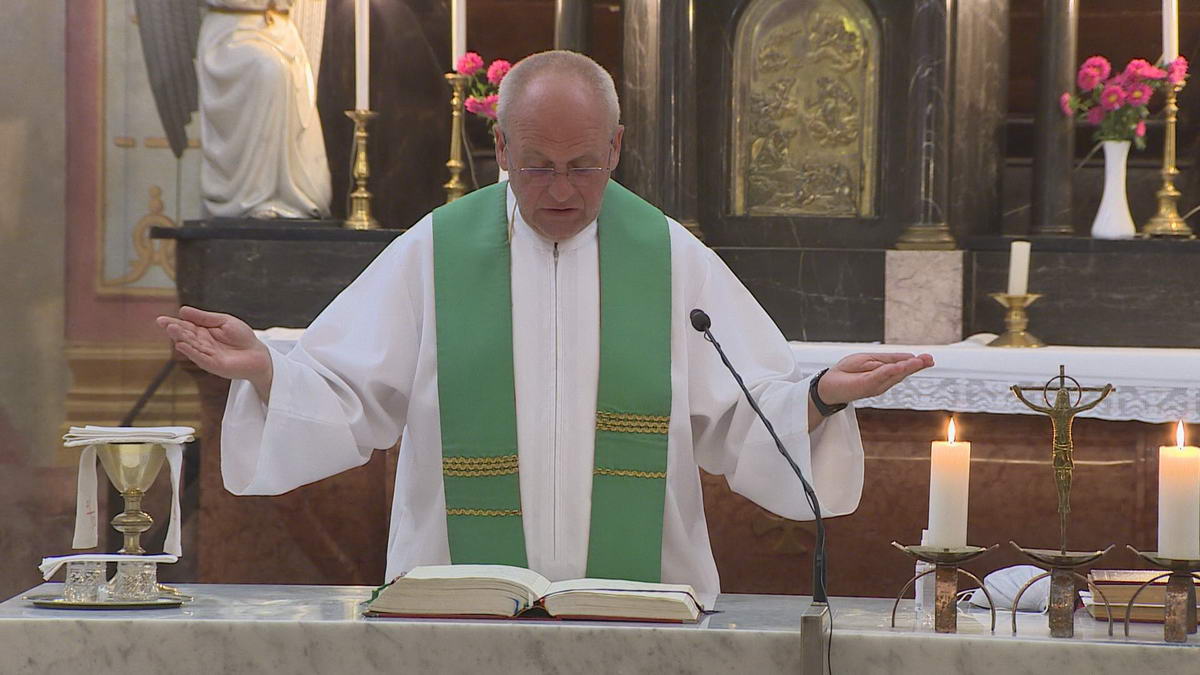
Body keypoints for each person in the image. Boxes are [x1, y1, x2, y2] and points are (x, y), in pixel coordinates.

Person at [158, 50, 933, 606]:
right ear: (500, 147)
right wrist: (269, 369)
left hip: (638, 609)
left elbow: (740, 413)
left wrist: (819, 397)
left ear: (616, 147)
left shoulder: (670, 257)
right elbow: (349, 390)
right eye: (537, 166)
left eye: (583, 165)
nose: (562, 189)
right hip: (462, 605)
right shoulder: (437, 251)